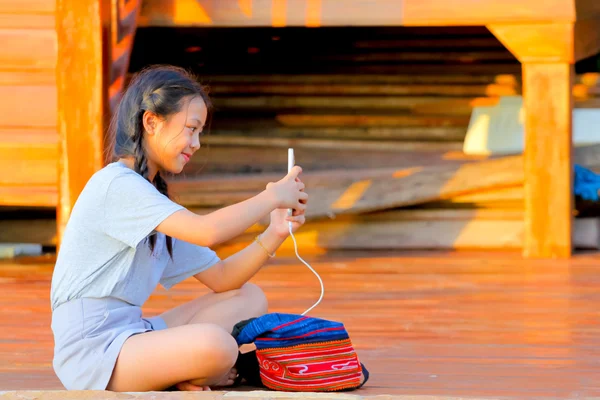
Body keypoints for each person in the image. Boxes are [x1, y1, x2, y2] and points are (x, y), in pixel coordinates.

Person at [49, 65, 308, 392]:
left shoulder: (150, 195)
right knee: (220, 347)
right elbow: (206, 231)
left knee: (249, 298)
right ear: (151, 122)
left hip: (133, 332)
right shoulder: (117, 185)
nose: (196, 143)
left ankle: (182, 372)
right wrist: (271, 197)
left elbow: (222, 278)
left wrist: (275, 232)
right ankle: (187, 371)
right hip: (94, 351)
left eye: (199, 132)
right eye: (191, 128)